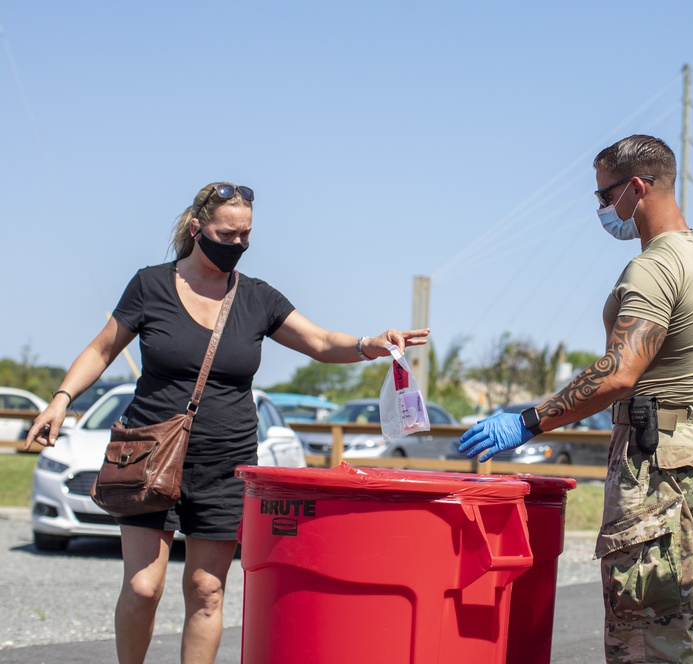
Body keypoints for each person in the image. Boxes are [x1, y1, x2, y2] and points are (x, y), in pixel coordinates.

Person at [24, 182, 428, 664]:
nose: (236, 245)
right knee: (143, 585)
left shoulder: (258, 298)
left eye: (246, 236)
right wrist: (61, 398)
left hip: (226, 464)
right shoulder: (150, 285)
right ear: (197, 229)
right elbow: (102, 349)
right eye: (227, 234)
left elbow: (320, 342)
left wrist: (369, 343)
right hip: (151, 455)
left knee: (207, 591)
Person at [459, 135, 693, 663]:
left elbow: (618, 372)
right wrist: (688, 421)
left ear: (637, 187)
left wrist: (529, 420)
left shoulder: (655, 266)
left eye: (604, 196)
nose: (602, 209)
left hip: (656, 460)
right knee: (692, 628)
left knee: (646, 633)